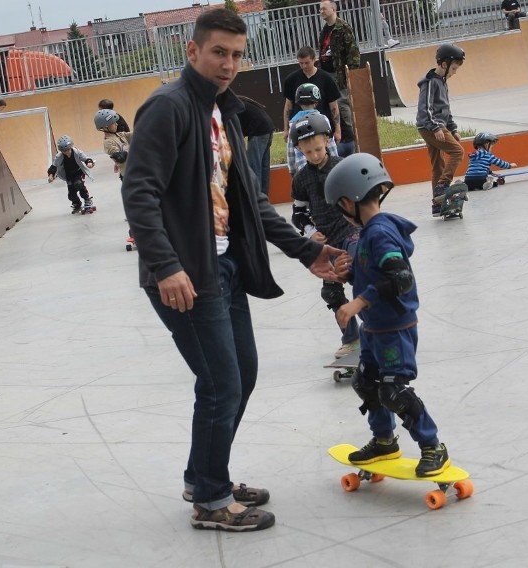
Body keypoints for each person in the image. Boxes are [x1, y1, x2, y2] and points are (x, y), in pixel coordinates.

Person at [120, 8, 345, 533]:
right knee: (221, 382)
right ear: (192, 51)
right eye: (218, 52)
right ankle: (212, 500)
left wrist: (305, 251)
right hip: (186, 276)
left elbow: (249, 200)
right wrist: (165, 265)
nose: (228, 64)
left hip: (224, 267)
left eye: (237, 55)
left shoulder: (223, 111)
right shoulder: (168, 108)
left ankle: (205, 476)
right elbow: (139, 193)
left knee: (241, 375)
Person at [324, 152, 452, 478]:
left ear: (346, 201)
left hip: (395, 328)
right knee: (367, 382)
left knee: (393, 391)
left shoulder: (380, 233)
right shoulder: (367, 234)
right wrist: (345, 277)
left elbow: (399, 279)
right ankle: (384, 441)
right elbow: (371, 274)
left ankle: (433, 446)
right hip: (374, 329)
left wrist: (357, 303)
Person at [290, 112, 360, 359]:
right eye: (307, 152)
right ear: (299, 149)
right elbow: (298, 214)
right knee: (331, 292)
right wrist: (310, 232)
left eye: (318, 149)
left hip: (351, 234)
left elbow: (362, 200)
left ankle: (380, 329)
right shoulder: (301, 179)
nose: (314, 155)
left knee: (362, 279)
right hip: (327, 245)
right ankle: (352, 339)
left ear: (328, 140)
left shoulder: (342, 167)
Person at [416, 44, 466, 217]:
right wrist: (436, 127)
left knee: (438, 165)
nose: (454, 72)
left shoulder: (442, 83)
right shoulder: (429, 82)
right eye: (453, 68)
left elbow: (446, 109)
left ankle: (437, 205)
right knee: (458, 152)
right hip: (430, 127)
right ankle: (442, 186)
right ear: (444, 65)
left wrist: (452, 128)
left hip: (437, 126)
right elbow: (425, 108)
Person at [282, 46, 341, 144]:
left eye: (307, 63)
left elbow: (334, 107)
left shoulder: (326, 79)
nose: (304, 66)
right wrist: (286, 129)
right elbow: (288, 106)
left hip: (322, 127)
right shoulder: (291, 80)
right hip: (300, 128)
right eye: (301, 63)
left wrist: (338, 130)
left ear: (314, 60)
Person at [318, 0, 360, 137]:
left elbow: (353, 52)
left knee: (342, 103)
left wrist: (350, 74)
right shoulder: (325, 30)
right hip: (326, 73)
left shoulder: (343, 27)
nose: (321, 11)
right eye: (320, 9)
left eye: (324, 9)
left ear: (333, 9)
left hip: (340, 74)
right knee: (331, 105)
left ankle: (351, 135)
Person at [286, 83, 339, 177]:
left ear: (298, 103)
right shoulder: (323, 119)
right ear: (316, 102)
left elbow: (290, 149)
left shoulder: (293, 123)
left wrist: (292, 170)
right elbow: (330, 143)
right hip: (324, 167)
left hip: (303, 170)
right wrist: (336, 161)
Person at [237, 95, 275, 196]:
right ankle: (264, 199)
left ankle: (255, 198)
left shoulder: (229, 107)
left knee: (254, 166)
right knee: (263, 166)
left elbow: (237, 136)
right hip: (268, 127)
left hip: (258, 130)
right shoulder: (239, 101)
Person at [47, 135, 96, 214]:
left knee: (79, 184)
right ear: (61, 151)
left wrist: (89, 162)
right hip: (69, 175)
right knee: (71, 194)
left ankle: (87, 199)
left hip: (78, 172)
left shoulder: (77, 152)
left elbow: (85, 158)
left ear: (71, 147)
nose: (67, 152)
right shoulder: (59, 156)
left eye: (68, 150)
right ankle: (76, 203)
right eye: (64, 151)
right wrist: (51, 175)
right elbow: (53, 167)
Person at [94, 109, 133, 181]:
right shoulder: (108, 142)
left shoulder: (120, 135)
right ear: (105, 127)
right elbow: (119, 156)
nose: (116, 124)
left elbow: (136, 134)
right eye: (113, 123)